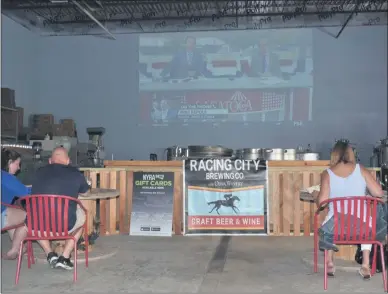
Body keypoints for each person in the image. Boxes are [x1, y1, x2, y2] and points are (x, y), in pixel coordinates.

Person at [316, 141, 385, 279]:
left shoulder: (327, 173)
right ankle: (365, 265)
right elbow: (379, 193)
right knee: (368, 221)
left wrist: (316, 196)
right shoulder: (361, 169)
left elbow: (322, 202)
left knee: (327, 222)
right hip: (362, 228)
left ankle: (329, 261)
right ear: (350, 154)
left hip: (337, 228)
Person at [29, 147, 90, 270]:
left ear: (50, 161)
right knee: (82, 217)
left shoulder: (38, 172)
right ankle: (65, 257)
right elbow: (86, 193)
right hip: (65, 225)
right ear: (68, 161)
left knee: (34, 219)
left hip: (38, 226)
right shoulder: (76, 174)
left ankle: (50, 254)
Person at [1, 149, 31, 259]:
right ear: (9, 162)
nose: (19, 168)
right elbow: (26, 193)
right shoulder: (7, 178)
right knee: (30, 217)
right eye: (17, 164)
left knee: (13, 212)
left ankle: (20, 246)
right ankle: (14, 250)